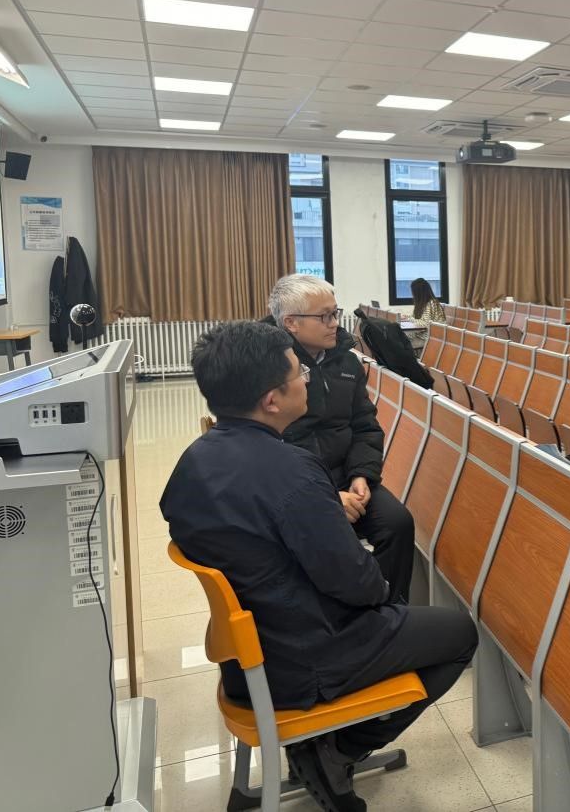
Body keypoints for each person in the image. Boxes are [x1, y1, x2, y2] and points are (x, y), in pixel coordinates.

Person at [162, 322, 477, 812]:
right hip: (301, 660)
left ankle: (324, 746)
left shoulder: (192, 461)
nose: (307, 380)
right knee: (458, 633)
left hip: (246, 659)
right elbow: (353, 581)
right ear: (271, 400)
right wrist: (383, 596)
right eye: (298, 374)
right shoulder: (293, 472)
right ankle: (337, 750)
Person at [265, 274, 415, 603]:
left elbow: (365, 425)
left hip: (347, 474)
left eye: (335, 313)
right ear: (291, 323)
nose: (335, 323)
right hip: (299, 487)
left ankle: (389, 609)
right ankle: (341, 614)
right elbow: (276, 447)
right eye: (324, 316)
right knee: (330, 535)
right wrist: (328, 498)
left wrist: (361, 475)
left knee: (397, 524)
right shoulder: (269, 366)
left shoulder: (346, 360)